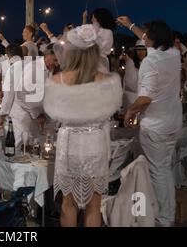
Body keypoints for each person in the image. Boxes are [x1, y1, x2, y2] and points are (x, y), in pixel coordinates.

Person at [43, 24, 122, 227]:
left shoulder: (57, 80)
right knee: (94, 206)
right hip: (96, 144)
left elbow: (52, 112)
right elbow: (111, 111)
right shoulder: (110, 82)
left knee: (68, 205)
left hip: (69, 144)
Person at [119, 17, 182, 227]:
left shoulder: (150, 61)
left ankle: (164, 219)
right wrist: (129, 25)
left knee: (159, 171)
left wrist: (129, 111)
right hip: (173, 122)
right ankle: (166, 212)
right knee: (164, 168)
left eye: (147, 34)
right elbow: (148, 38)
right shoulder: (174, 54)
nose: (144, 37)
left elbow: (145, 98)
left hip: (156, 126)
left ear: (153, 38)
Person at [121, 40, 147, 109]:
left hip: (143, 102)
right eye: (138, 50)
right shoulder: (131, 63)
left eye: (143, 50)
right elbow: (131, 85)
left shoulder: (149, 64)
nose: (140, 52)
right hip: (131, 101)